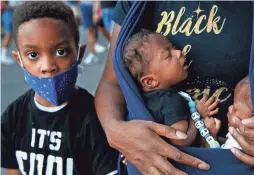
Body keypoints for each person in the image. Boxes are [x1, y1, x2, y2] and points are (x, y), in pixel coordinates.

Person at [95, 1, 254, 174]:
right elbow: (111, 82)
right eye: (167, 55)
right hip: (155, 162)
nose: (179, 54)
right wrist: (115, 130)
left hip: (247, 158)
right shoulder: (137, 4)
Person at [1, 2, 118, 175]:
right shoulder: (13, 116)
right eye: (33, 55)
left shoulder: (93, 119)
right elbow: (13, 170)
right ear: (19, 60)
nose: (48, 66)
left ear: (79, 54)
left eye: (61, 51)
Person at [123, 29, 219, 146]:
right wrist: (197, 115)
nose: (178, 52)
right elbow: (181, 140)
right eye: (168, 56)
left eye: (173, 47)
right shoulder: (170, 101)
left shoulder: (138, 101)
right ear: (150, 81)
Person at [203, 76, 254, 149]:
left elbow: (214, 157)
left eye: (235, 109)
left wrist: (211, 134)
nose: (230, 108)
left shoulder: (238, 143)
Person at [1, 0, 19, 65]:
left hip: (13, 13)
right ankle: (3, 56)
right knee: (9, 35)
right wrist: (15, 7)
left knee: (12, 35)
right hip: (9, 14)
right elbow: (3, 4)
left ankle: (3, 56)